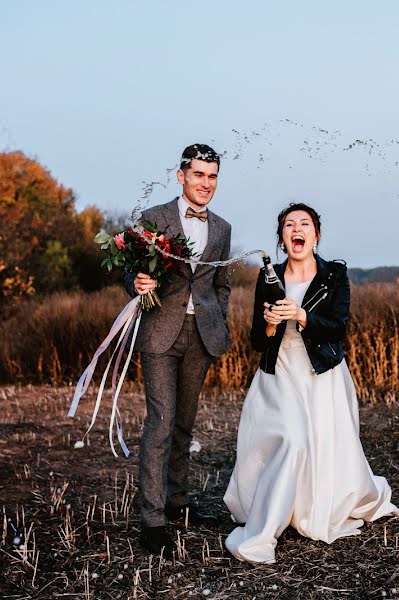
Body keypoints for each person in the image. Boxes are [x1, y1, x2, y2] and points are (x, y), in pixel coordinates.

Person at [223, 202, 399, 563]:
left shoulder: (334, 275)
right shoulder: (268, 277)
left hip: (321, 375)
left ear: (316, 236)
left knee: (318, 444)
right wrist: (272, 324)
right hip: (280, 373)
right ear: (282, 238)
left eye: (304, 224)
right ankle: (263, 529)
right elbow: (258, 339)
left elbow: (338, 327)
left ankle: (304, 508)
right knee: (292, 439)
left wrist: (302, 315)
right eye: (289, 225)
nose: (296, 229)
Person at [123, 144, 232, 557]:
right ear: (181, 175)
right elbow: (131, 270)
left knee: (185, 424)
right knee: (161, 422)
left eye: (213, 176)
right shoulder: (154, 219)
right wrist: (136, 281)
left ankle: (178, 503)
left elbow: (222, 284)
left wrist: (218, 318)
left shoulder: (222, 229)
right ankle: (152, 521)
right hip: (159, 334)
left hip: (201, 336)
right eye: (199, 174)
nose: (206, 183)